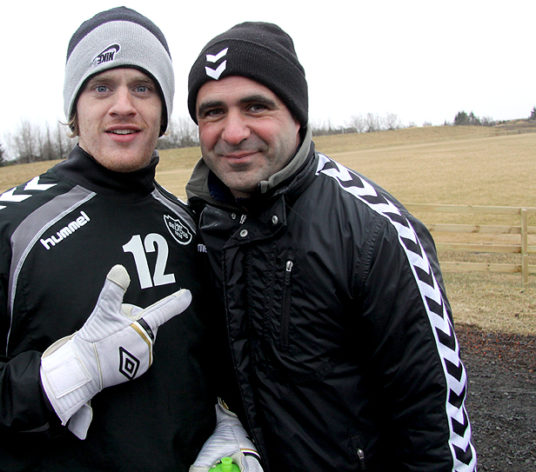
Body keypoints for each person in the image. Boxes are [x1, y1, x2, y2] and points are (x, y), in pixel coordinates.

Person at [0, 7, 259, 472]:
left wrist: (227, 422)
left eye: (143, 88)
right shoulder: (2, 228)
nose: (123, 105)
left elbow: (208, 363)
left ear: (163, 112)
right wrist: (59, 379)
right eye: (101, 87)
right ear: (74, 108)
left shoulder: (192, 225)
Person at [185, 22, 477, 471]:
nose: (234, 131)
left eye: (256, 106)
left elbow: (434, 423)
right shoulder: (198, 226)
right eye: (213, 112)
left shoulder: (373, 232)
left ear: (297, 115)